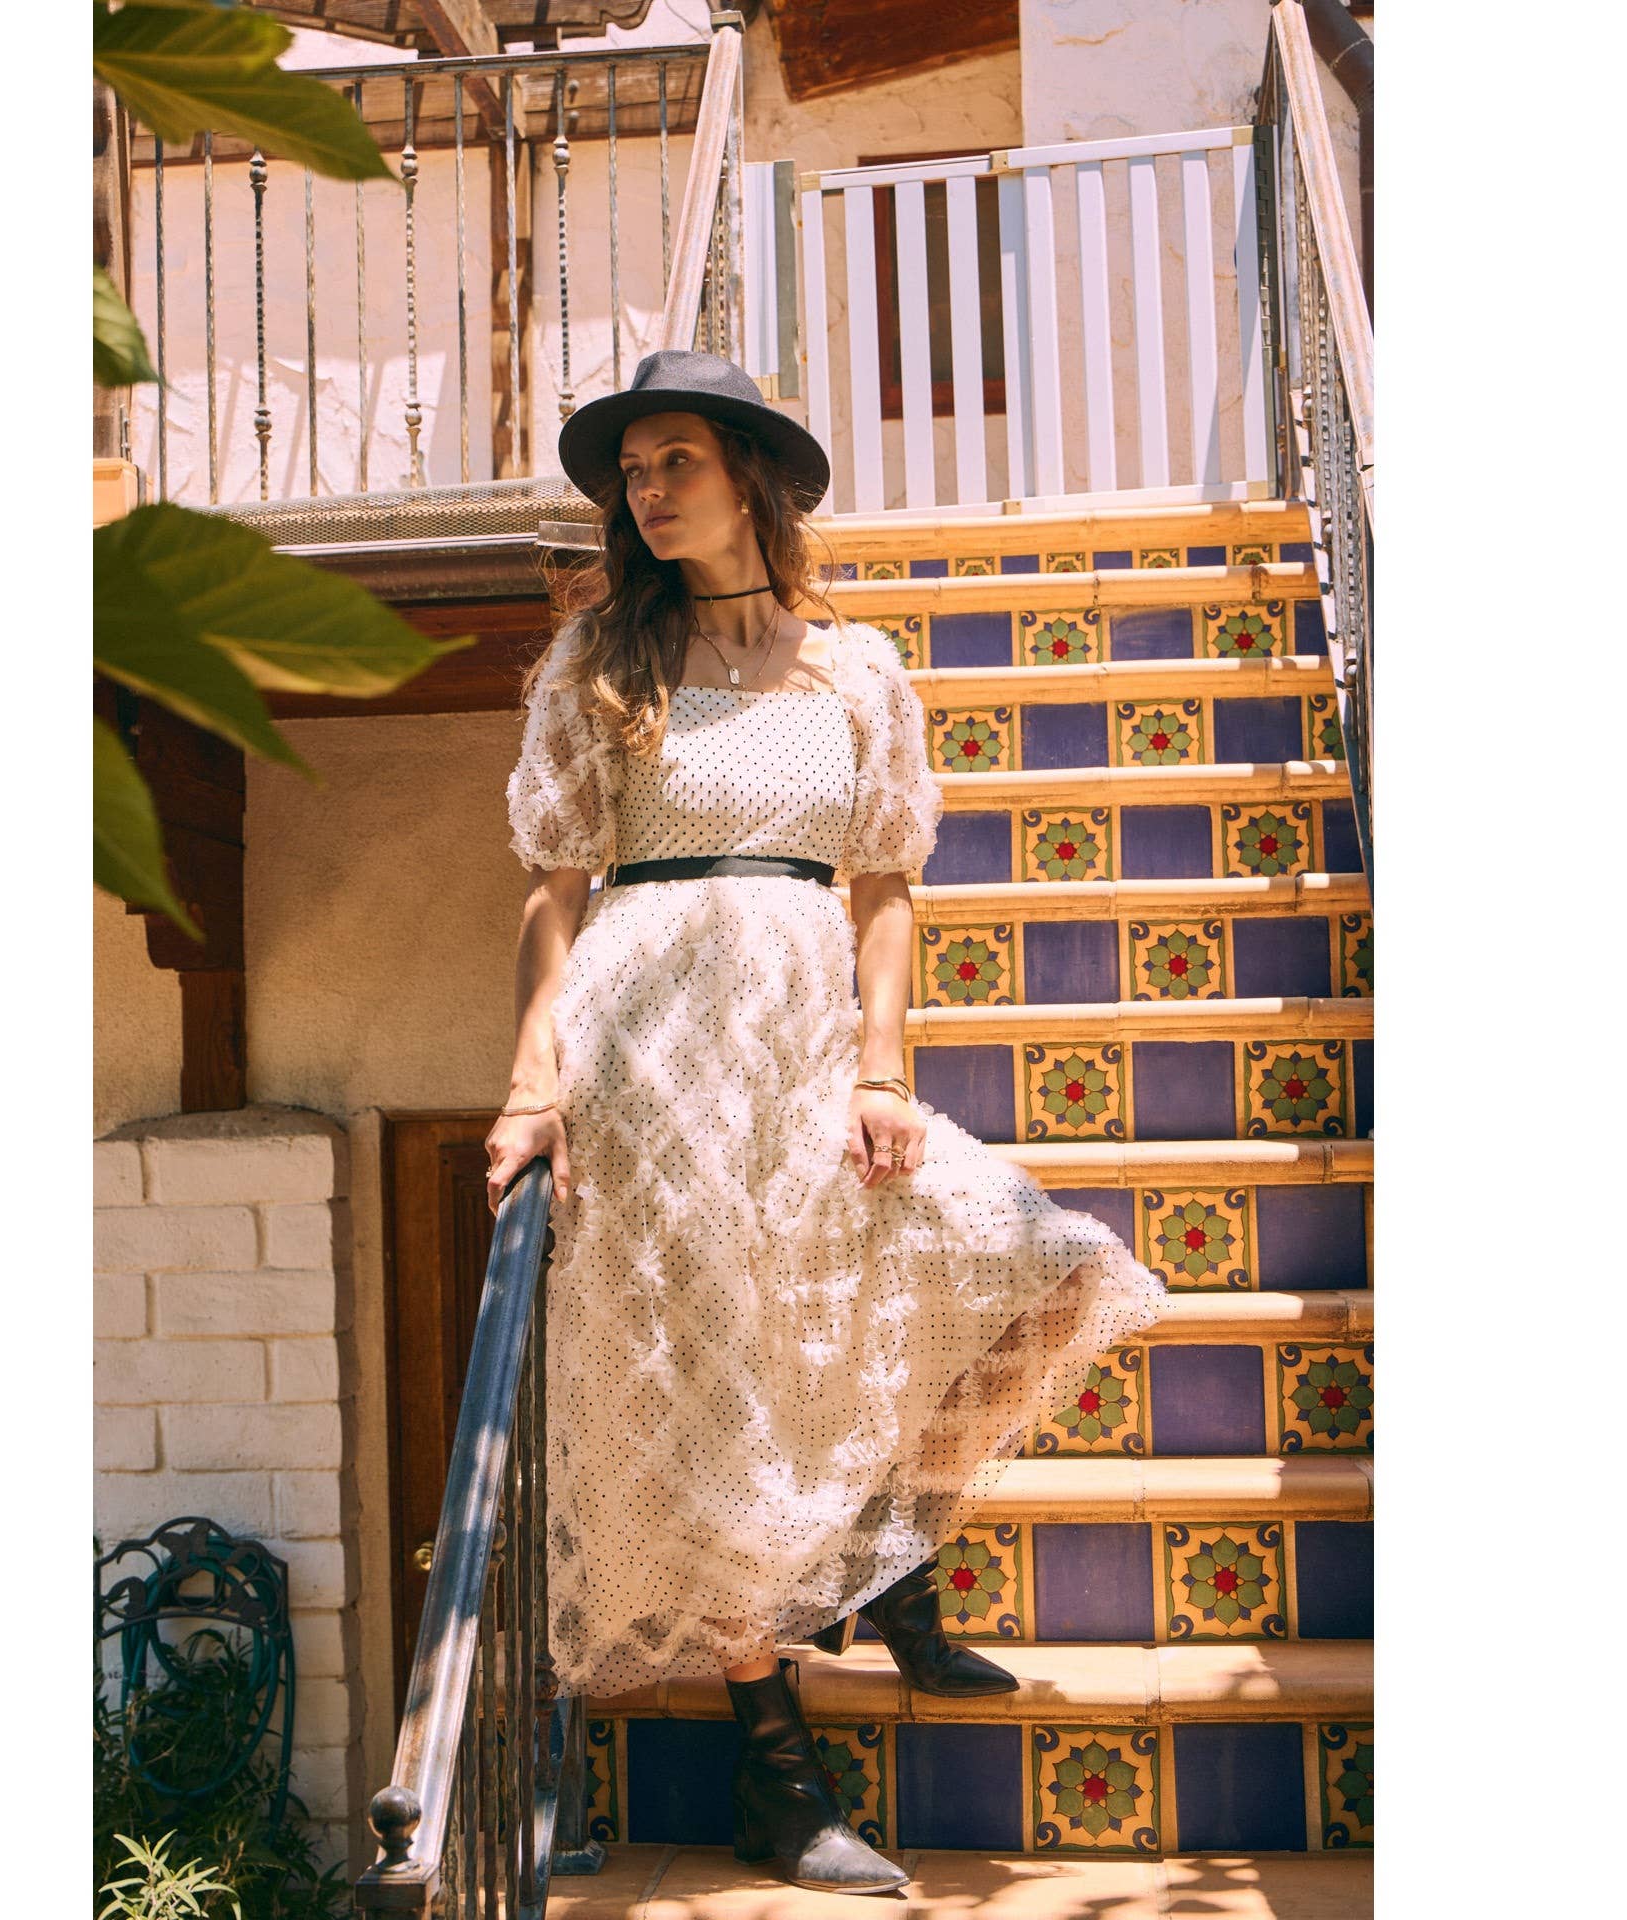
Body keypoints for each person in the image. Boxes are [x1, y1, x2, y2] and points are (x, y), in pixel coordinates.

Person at [487, 349, 1170, 1894]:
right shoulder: (601, 660)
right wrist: (537, 1084)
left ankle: (894, 1555)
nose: (647, 495)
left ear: (748, 476)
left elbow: (883, 886)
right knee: (716, 1387)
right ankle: (775, 1768)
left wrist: (878, 1070)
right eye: (630, 475)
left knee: (1046, 1265)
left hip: (804, 1039)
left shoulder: (853, 667)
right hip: (650, 1049)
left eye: (674, 463)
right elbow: (557, 890)